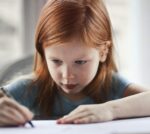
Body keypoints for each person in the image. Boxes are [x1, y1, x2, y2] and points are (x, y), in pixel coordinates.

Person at [0, 0, 148, 126]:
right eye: (56, 61)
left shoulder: (111, 85)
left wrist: (110, 109)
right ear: (43, 53)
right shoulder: (29, 89)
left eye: (80, 62)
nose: (67, 75)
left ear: (103, 52)